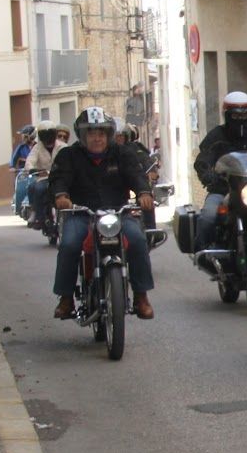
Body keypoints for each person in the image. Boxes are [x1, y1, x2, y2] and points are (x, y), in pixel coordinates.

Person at [49, 106, 156, 320]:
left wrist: (144, 193)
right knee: (69, 244)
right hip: (82, 213)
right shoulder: (69, 155)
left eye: (101, 133)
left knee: (136, 239)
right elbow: (59, 179)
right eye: (91, 133)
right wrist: (61, 196)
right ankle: (66, 298)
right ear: (82, 135)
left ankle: (141, 296)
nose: (96, 138)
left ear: (108, 135)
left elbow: (136, 174)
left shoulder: (122, 153)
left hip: (118, 213)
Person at [193, 91, 247, 251]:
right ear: (227, 115)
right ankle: (204, 251)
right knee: (208, 217)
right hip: (223, 189)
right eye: (235, 115)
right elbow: (203, 158)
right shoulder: (217, 136)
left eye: (244, 115)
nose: (240, 119)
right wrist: (207, 173)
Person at [22, 121, 67, 229]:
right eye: (45, 134)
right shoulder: (37, 147)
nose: (48, 136)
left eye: (50, 133)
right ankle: (39, 216)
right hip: (44, 178)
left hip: (60, 178)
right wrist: (32, 169)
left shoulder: (63, 146)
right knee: (36, 188)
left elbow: (69, 160)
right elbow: (29, 161)